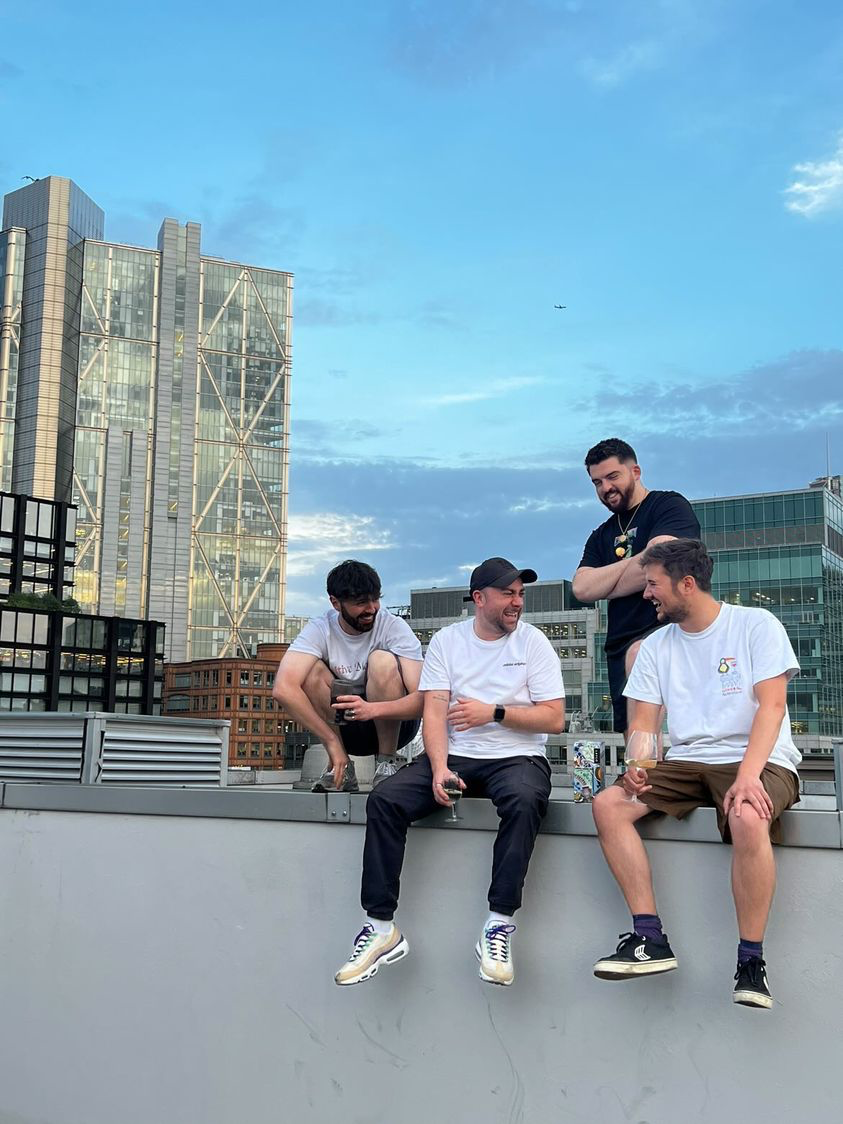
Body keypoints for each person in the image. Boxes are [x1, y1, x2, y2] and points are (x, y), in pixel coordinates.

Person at [334, 557, 565, 988]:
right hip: (457, 756)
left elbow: (554, 719)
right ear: (480, 599)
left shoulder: (533, 643)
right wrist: (439, 768)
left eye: (521, 595)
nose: (517, 603)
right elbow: (434, 710)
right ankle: (382, 928)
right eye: (508, 594)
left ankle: (498, 924)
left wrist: (494, 713)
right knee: (384, 800)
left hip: (517, 758)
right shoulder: (447, 641)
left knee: (525, 800)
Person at [591, 539, 801, 1009]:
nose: (647, 595)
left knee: (748, 814)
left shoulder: (755, 625)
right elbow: (643, 722)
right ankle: (649, 938)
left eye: (652, 585)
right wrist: (640, 769)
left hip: (759, 757)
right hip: (688, 762)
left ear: (687, 584)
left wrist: (748, 777)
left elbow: (772, 707)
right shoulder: (655, 647)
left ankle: (751, 962)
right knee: (609, 805)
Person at [572, 438, 700, 734]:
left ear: (636, 471)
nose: (605, 488)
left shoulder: (668, 506)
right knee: (637, 747)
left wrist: (606, 583)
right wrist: (636, 567)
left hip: (667, 632)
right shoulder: (600, 535)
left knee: (670, 736)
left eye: (612, 476)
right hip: (619, 645)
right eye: (597, 482)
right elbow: (581, 589)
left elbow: (661, 562)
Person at [273, 560, 423, 793]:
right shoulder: (321, 628)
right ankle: (341, 767)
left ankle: (386, 763)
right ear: (335, 602)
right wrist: (331, 742)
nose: (372, 608)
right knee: (310, 672)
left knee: (381, 660)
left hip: (396, 725)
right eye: (361, 602)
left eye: (375, 599)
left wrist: (372, 709)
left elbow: (424, 700)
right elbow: (283, 688)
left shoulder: (393, 626)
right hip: (346, 728)